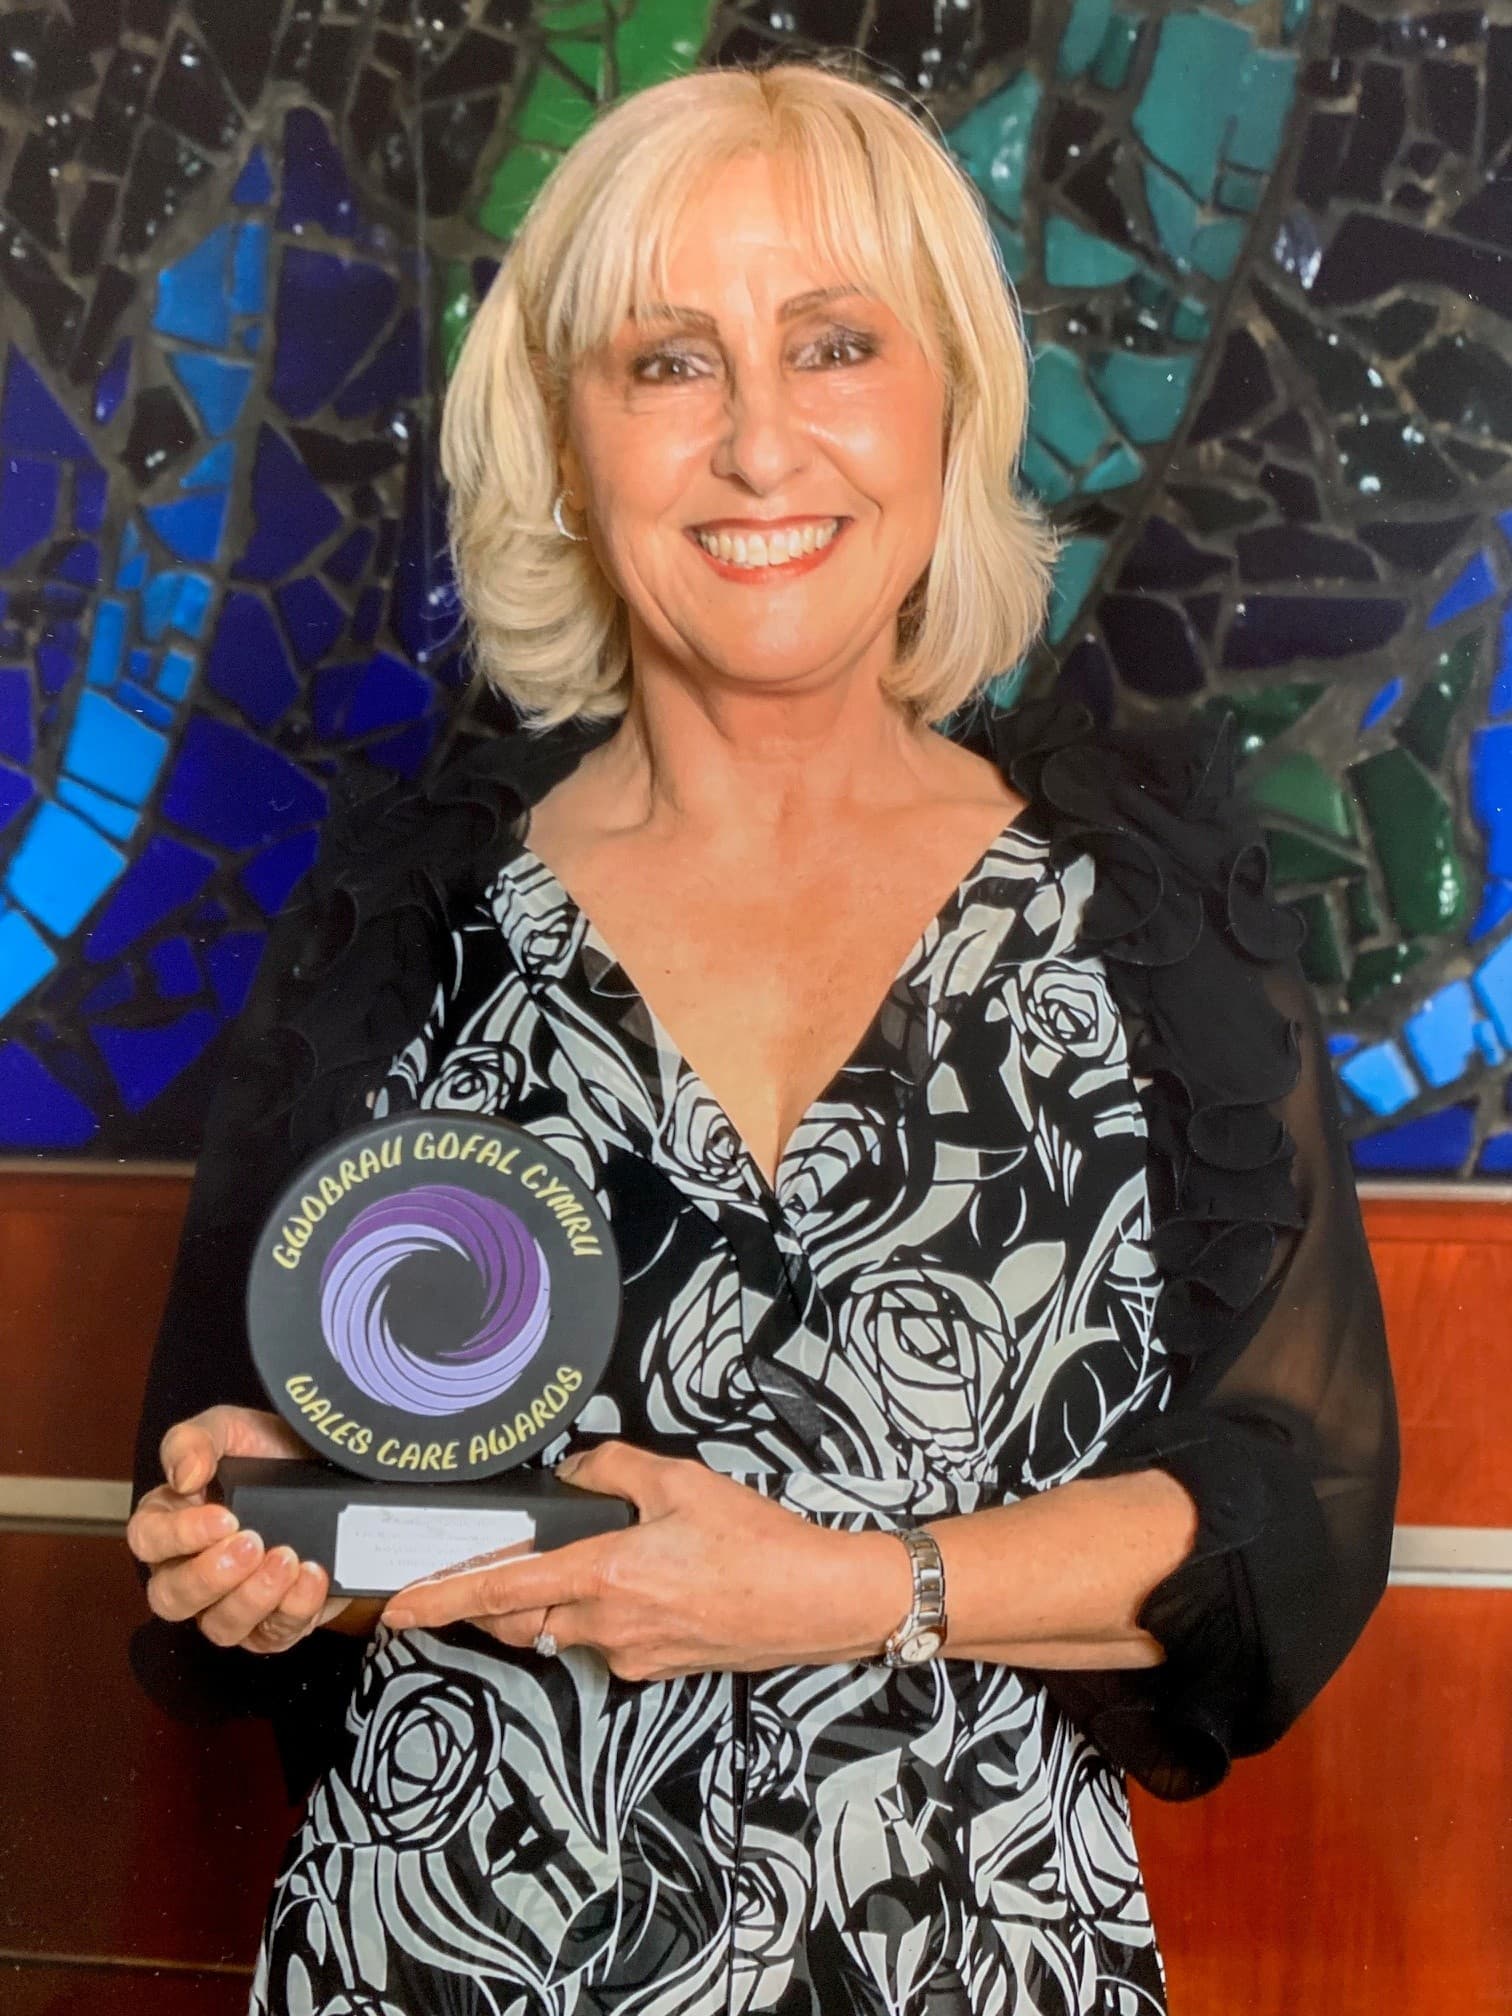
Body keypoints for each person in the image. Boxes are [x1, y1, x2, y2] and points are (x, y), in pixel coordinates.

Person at [127, 57, 1400, 2015]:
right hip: (457, 1958)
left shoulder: (1135, 892)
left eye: (832, 345)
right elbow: (268, 1466)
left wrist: (839, 1587)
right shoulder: (412, 906)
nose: (757, 444)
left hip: (983, 1960)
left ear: (949, 401)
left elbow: (1279, 1513)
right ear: (567, 439)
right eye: (666, 363)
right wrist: (263, 1516)